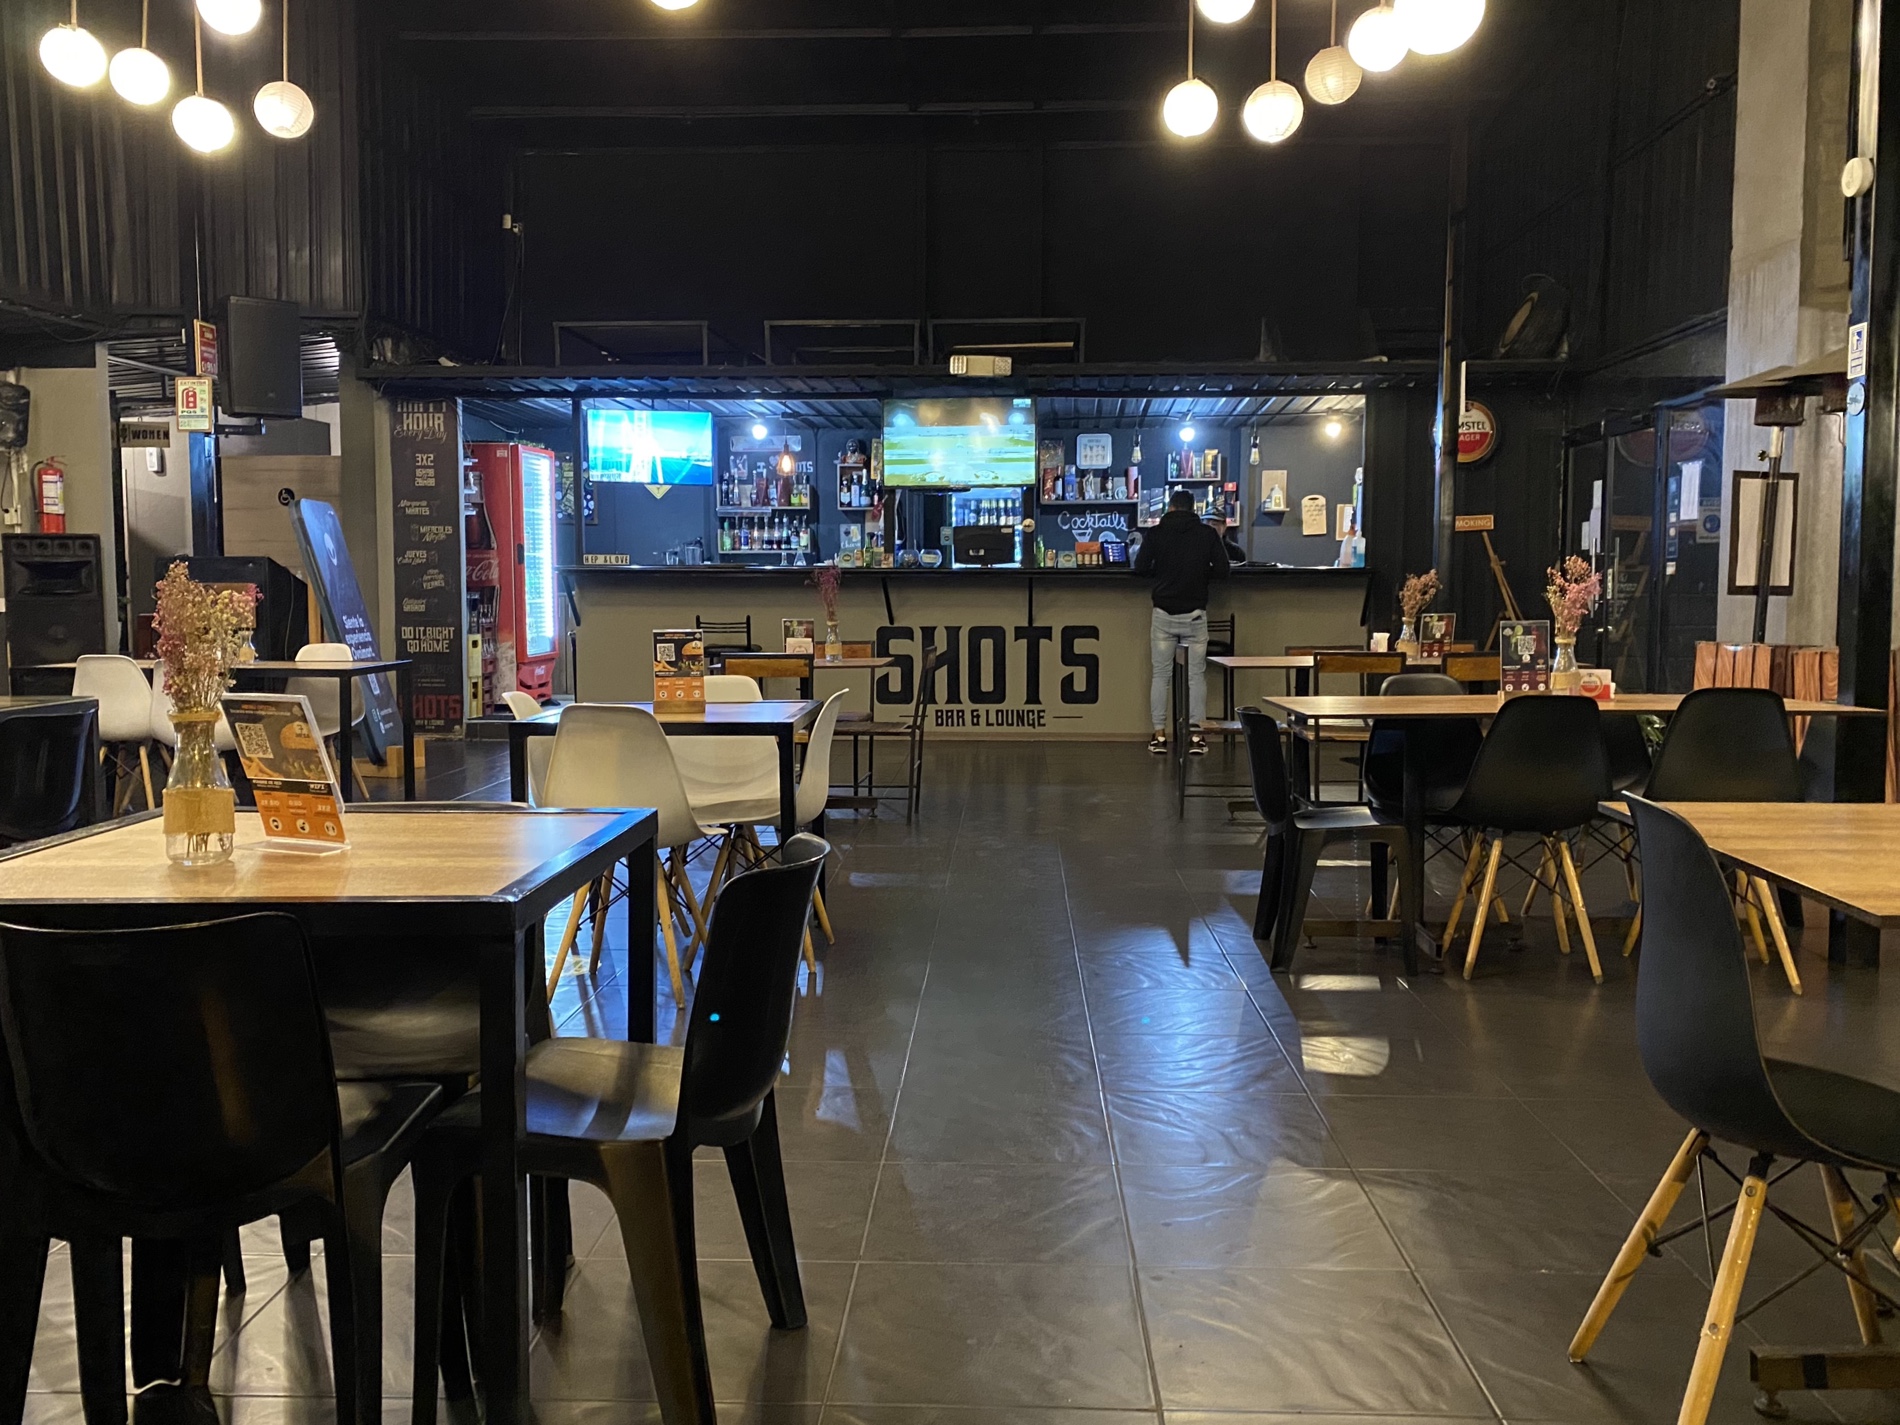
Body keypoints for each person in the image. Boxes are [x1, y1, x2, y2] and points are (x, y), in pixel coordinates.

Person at [1134, 488, 1230, 755]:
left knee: (1161, 676)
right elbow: (1223, 570)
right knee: (1196, 676)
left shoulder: (1155, 533)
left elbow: (1140, 568)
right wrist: (1201, 573)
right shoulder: (1207, 534)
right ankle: (1197, 736)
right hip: (1195, 614)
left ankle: (1159, 736)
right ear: (1193, 509)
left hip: (1163, 613)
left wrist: (1162, 572)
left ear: (1171, 507)